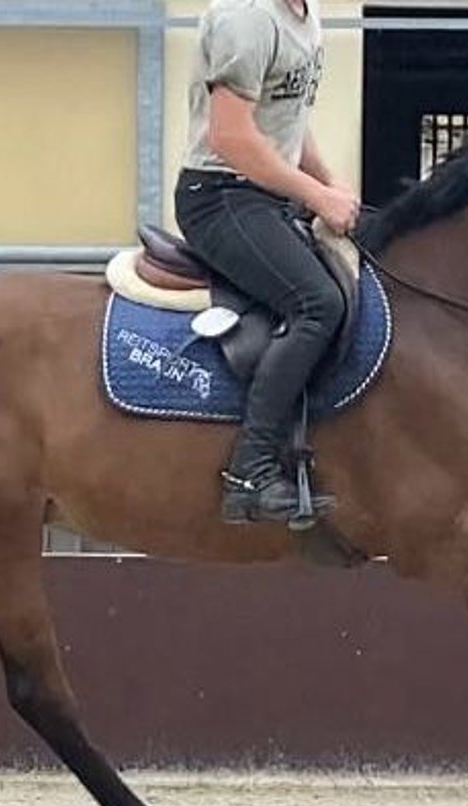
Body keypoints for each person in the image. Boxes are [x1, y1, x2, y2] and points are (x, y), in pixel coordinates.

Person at [174, 0, 360, 526]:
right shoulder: (249, 18)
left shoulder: (305, 15)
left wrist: (329, 183)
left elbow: (287, 123)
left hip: (265, 195)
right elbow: (231, 138)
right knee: (316, 303)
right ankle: (250, 470)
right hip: (220, 196)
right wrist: (318, 198)